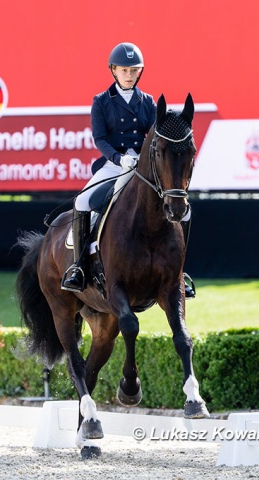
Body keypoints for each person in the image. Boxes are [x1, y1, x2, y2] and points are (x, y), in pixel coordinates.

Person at [61, 42, 195, 299]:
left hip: (144, 168)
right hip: (114, 164)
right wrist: (119, 158)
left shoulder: (147, 102)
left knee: (184, 212)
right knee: (83, 200)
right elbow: (99, 138)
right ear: (113, 70)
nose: (129, 75)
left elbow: (158, 137)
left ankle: (180, 272)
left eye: (134, 71)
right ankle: (77, 266)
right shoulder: (101, 101)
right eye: (124, 70)